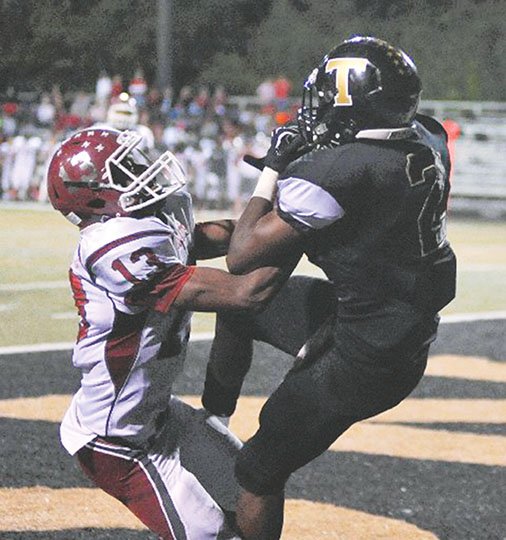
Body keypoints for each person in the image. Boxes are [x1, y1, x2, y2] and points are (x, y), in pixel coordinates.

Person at [202, 36, 457, 539]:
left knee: (256, 472)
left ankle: (227, 442)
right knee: (240, 311)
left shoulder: (338, 173)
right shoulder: (427, 138)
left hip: (365, 357)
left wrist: (272, 171)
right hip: (389, 322)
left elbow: (243, 254)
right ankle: (214, 421)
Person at [46, 127, 286, 539]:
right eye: (127, 170)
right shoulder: (114, 246)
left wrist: (280, 184)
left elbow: (240, 240)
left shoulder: (146, 223)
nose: (143, 171)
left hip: (157, 415)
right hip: (116, 442)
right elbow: (248, 293)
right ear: (96, 194)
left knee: (257, 483)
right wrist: (306, 224)